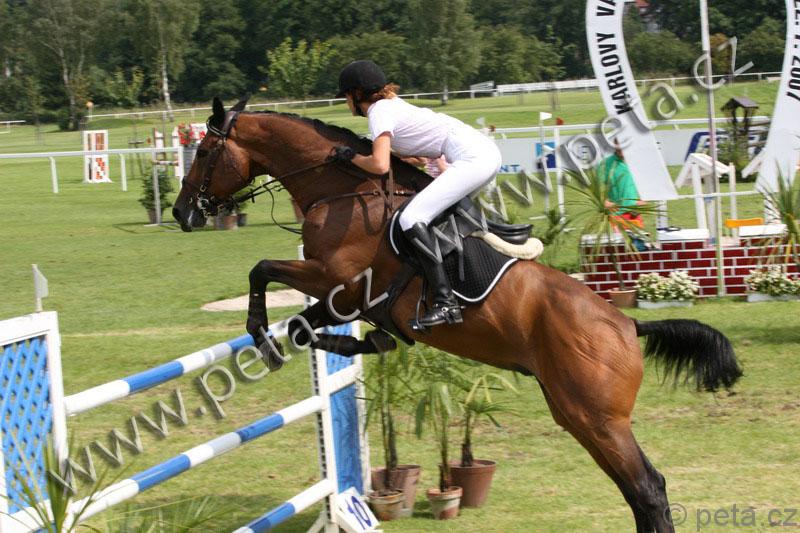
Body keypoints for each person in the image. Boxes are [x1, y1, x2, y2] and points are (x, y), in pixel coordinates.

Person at [335, 60, 502, 327]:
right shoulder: (391, 104)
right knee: (433, 216)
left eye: (345, 96)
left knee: (411, 218)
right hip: (479, 152)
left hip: (472, 157)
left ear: (356, 94)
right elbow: (418, 159)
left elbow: (380, 165)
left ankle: (446, 303)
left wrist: (350, 157)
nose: (346, 103)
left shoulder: (378, 111)